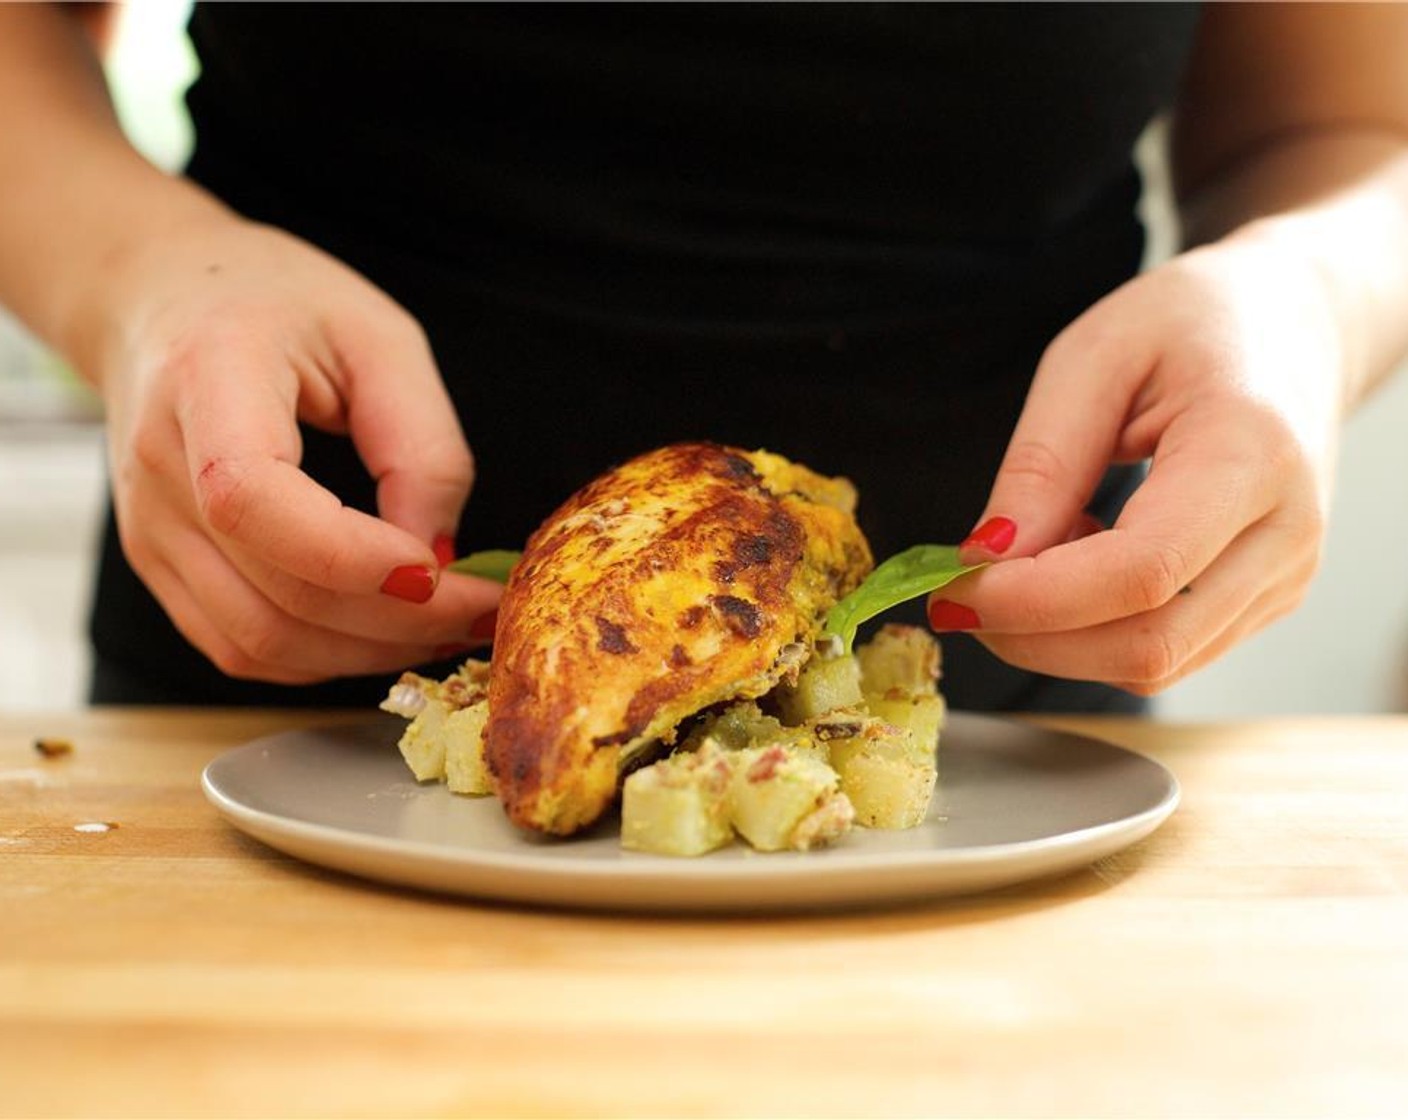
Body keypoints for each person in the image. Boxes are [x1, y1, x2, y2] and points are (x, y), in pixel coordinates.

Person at [2, 3, 1406, 713]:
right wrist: (134, 282)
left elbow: (1351, 125)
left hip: (999, 775)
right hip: (274, 700)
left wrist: (1301, 298)